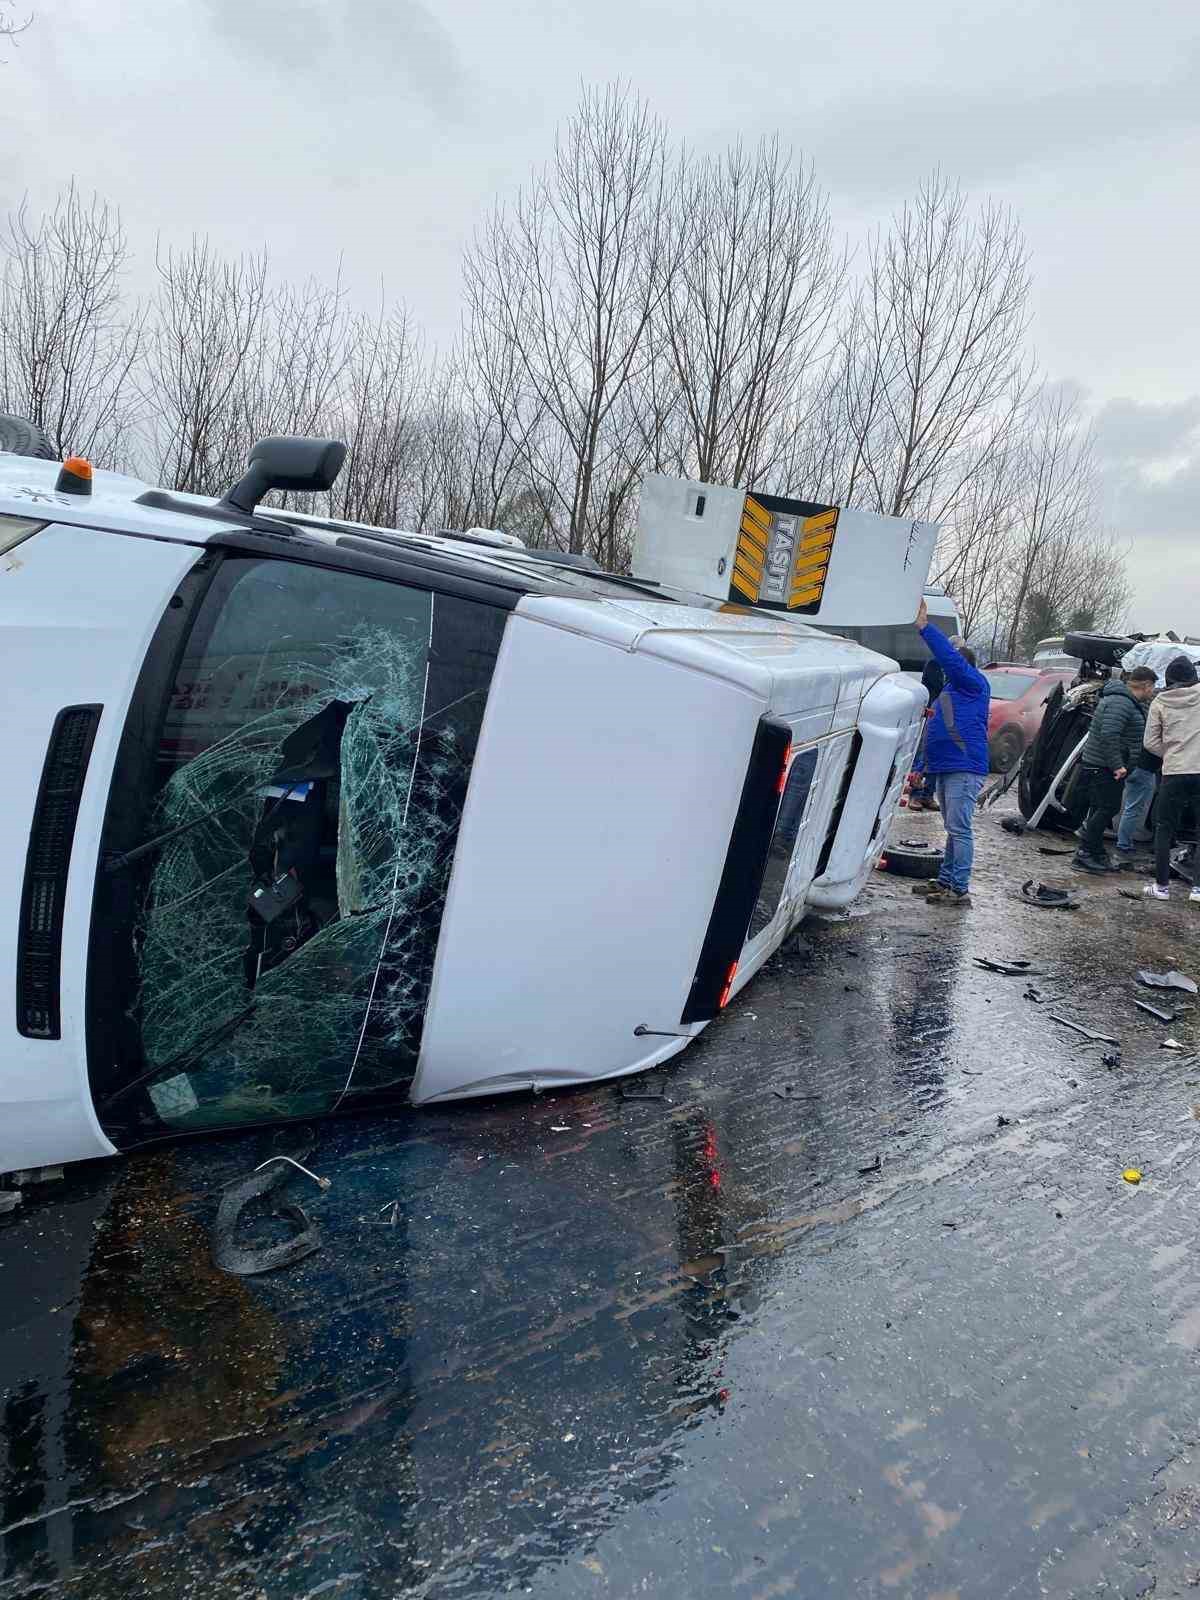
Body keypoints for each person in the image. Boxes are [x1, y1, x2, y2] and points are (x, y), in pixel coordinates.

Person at [913, 600, 990, 908]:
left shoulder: (973, 683)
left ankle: (959, 889)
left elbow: (951, 660)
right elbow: (936, 733)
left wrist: (925, 628)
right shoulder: (950, 692)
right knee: (952, 828)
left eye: (953, 664)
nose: (946, 668)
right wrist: (922, 767)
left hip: (964, 768)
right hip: (946, 767)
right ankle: (946, 881)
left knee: (960, 829)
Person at [1073, 667, 1157, 873]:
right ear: (1145, 685)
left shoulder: (1128, 702)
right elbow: (1109, 735)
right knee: (1107, 808)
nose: (1153, 692)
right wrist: (1117, 764)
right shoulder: (1121, 702)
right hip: (1104, 766)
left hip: (1105, 765)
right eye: (1153, 687)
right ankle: (1084, 853)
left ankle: (1095, 851)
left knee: (1100, 808)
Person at [1142, 654, 1200, 903]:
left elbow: (1149, 743)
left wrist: (1172, 753)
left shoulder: (1160, 702)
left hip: (1174, 771)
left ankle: (1162, 888)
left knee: (1164, 828)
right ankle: (1198, 890)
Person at [909, 653, 946, 812]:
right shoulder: (934, 663)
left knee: (937, 756)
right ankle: (915, 794)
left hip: (946, 715)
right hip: (932, 713)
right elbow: (939, 686)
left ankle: (928, 794)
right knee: (923, 755)